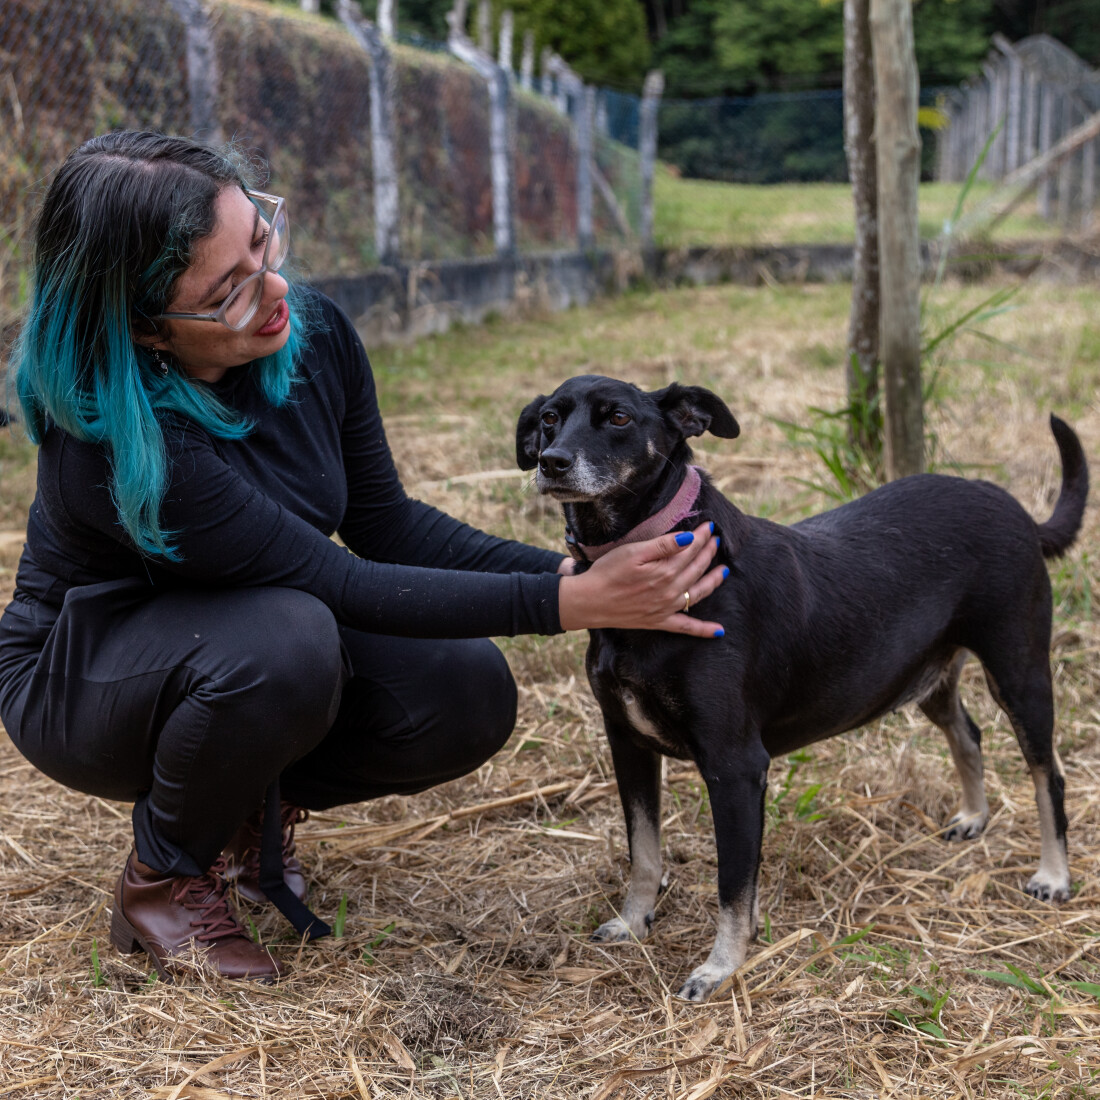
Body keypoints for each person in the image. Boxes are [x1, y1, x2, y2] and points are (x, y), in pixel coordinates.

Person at [0, 131, 726, 982]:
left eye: (261, 242)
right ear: (146, 328)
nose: (272, 289)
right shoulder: (118, 443)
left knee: (463, 689)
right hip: (86, 676)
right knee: (290, 638)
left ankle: (237, 809)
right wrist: (576, 605)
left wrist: (570, 575)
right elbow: (342, 584)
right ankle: (163, 879)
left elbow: (389, 526)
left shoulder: (312, 336)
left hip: (240, 643)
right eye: (228, 290)